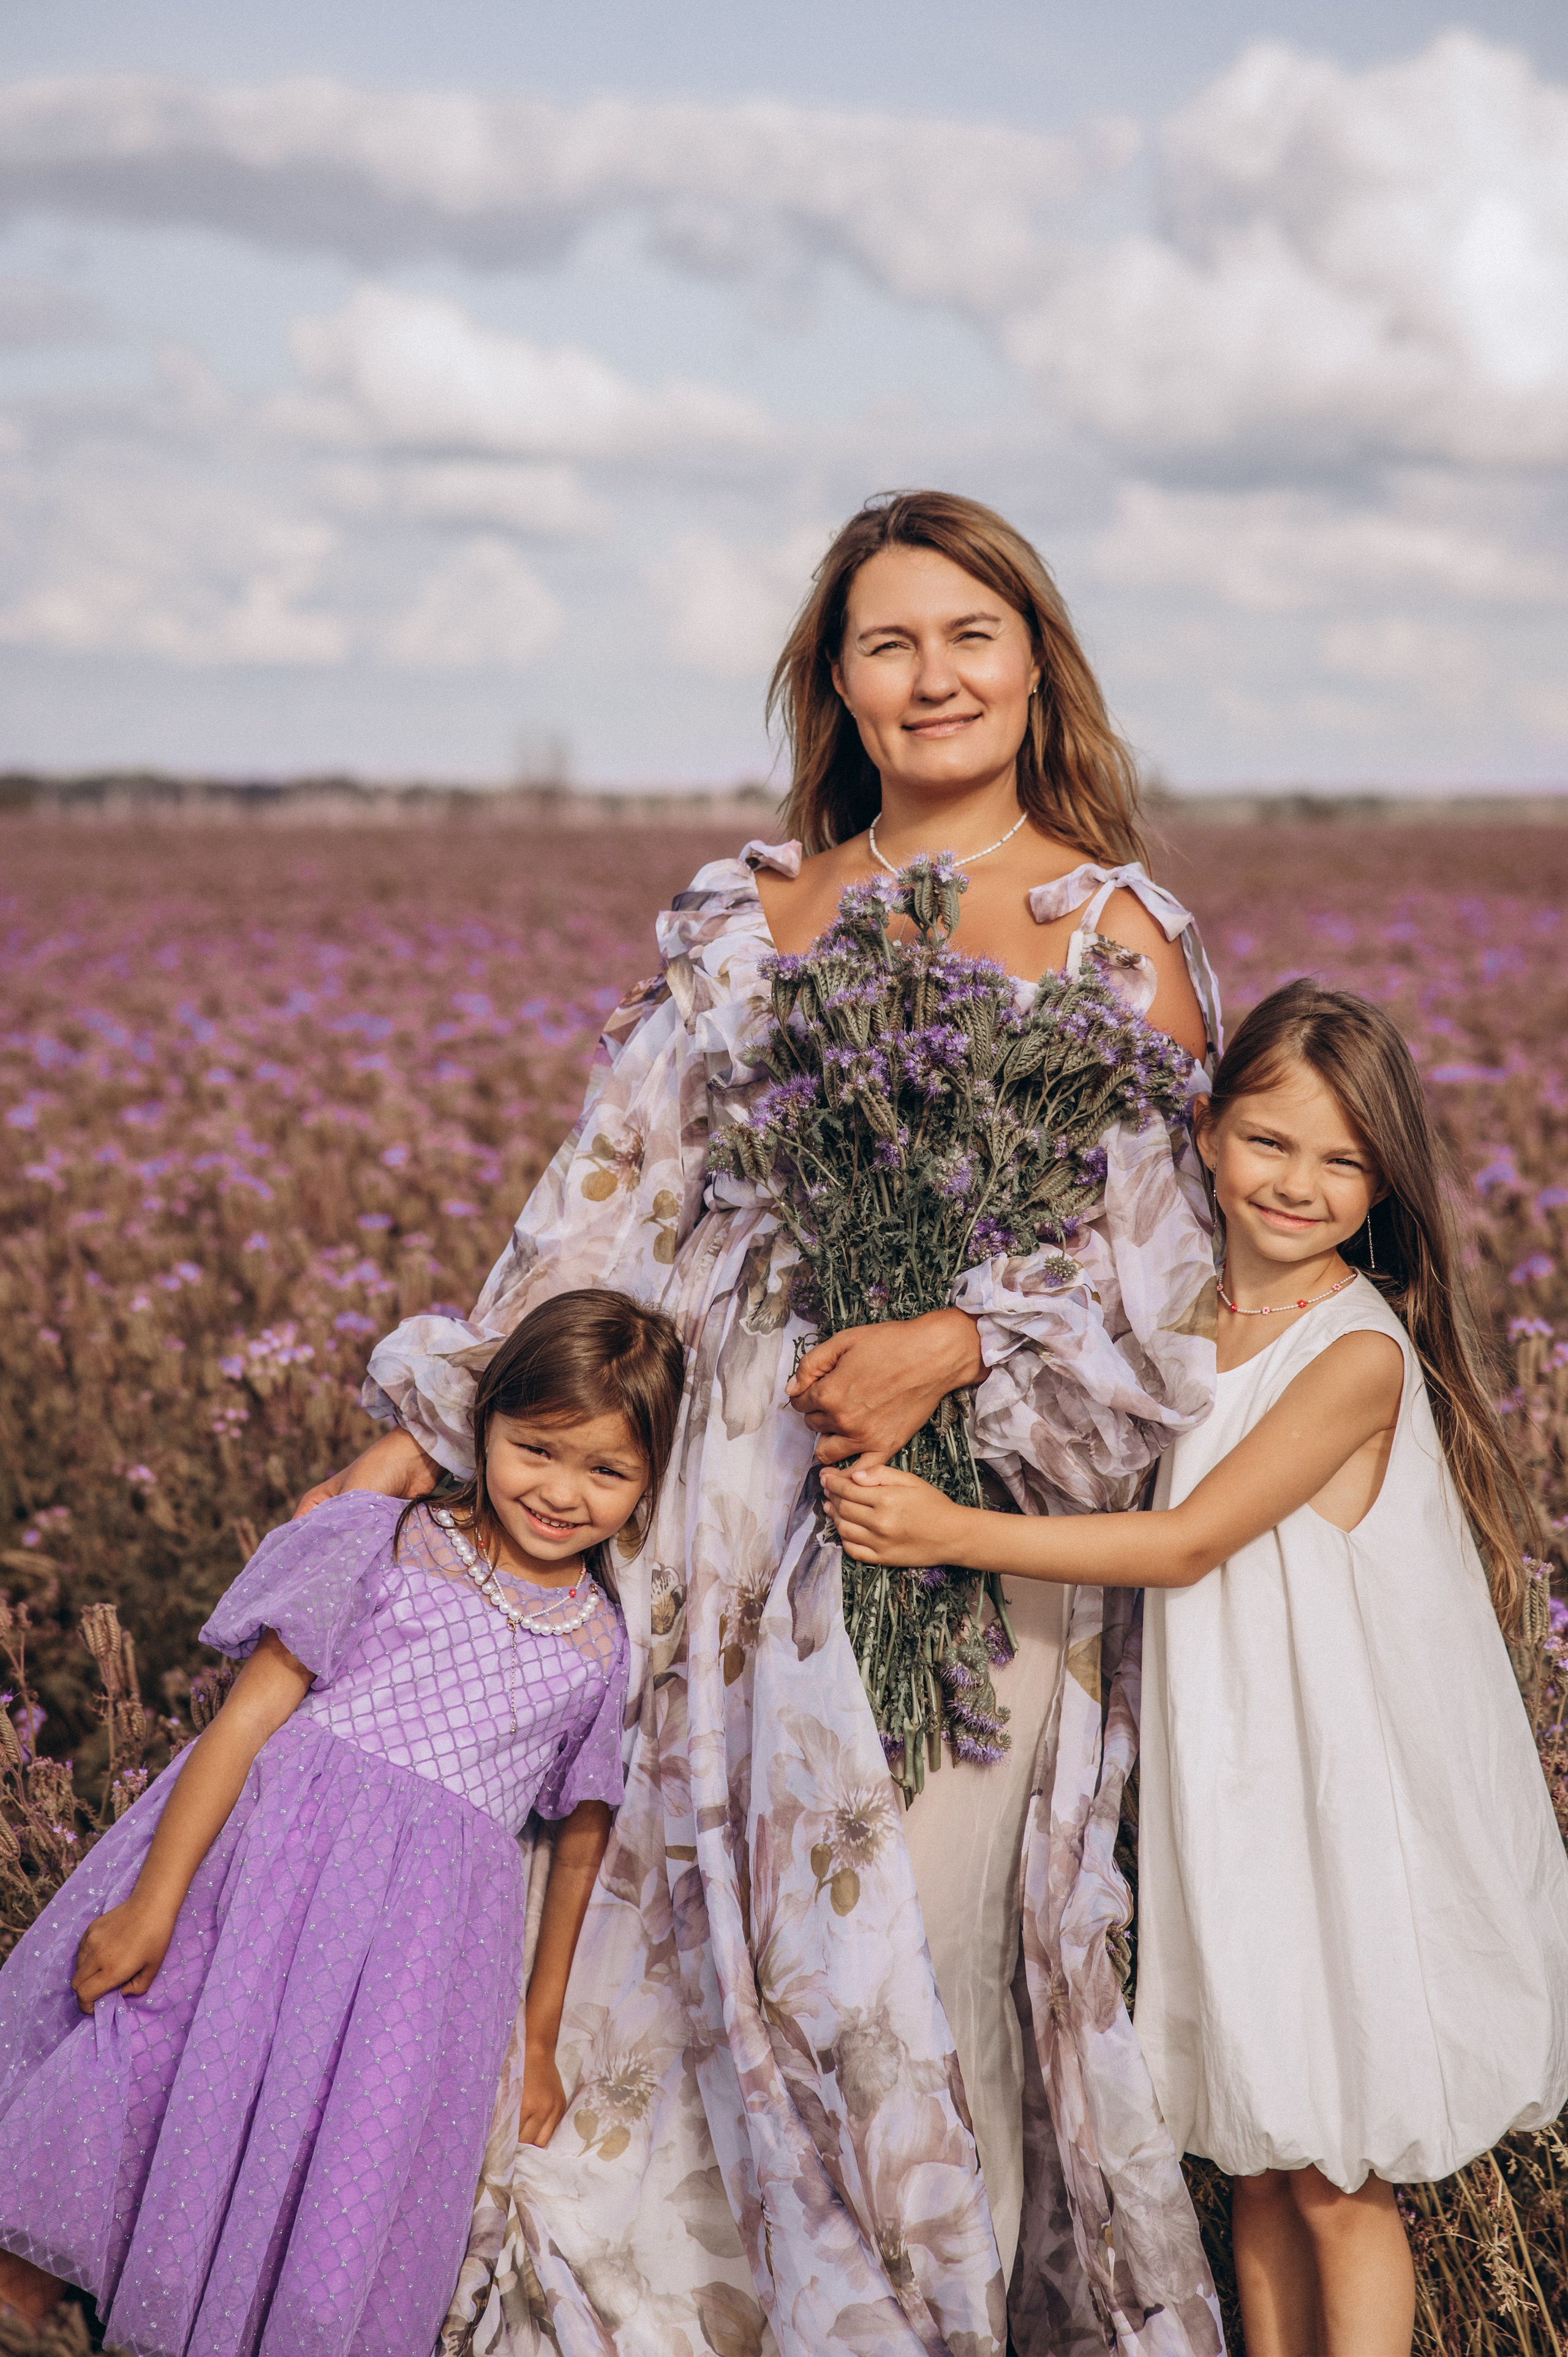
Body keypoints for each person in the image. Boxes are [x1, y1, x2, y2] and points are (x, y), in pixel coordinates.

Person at [296, 490, 1226, 2356]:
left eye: (971, 633)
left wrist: (951, 1342)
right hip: (692, 1525)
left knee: (903, 1985)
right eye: (889, 642)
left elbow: (1166, 1283)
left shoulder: (1117, 937)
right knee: (669, 1987)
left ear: (1036, 661)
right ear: (839, 685)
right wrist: (435, 1435)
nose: (934, 674)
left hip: (956, 1533)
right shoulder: (752, 911)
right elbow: (606, 1208)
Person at [825, 978, 1568, 2357]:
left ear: (1381, 1185)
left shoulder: (1353, 1353)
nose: (1297, 1183)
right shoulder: (1177, 1310)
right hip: (1224, 1788)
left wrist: (943, 1528)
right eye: (1270, 1142)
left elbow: (1180, 1544)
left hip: (1334, 1802)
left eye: (1343, 1161)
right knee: (1259, 2158)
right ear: (1207, 1132)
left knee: (1336, 2170)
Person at [0, 1288, 682, 2357]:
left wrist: (539, 2036)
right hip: (259, 1874)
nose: (561, 1493)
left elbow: (581, 1837)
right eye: (537, 1449)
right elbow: (244, 1721)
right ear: (485, 1425)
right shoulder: (390, 1540)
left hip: (417, 1953)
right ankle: (31, 2309)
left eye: (608, 1472)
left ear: (648, 1485)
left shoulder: (602, 1645)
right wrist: (153, 1904)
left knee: (332, 2148)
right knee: (154, 2070)